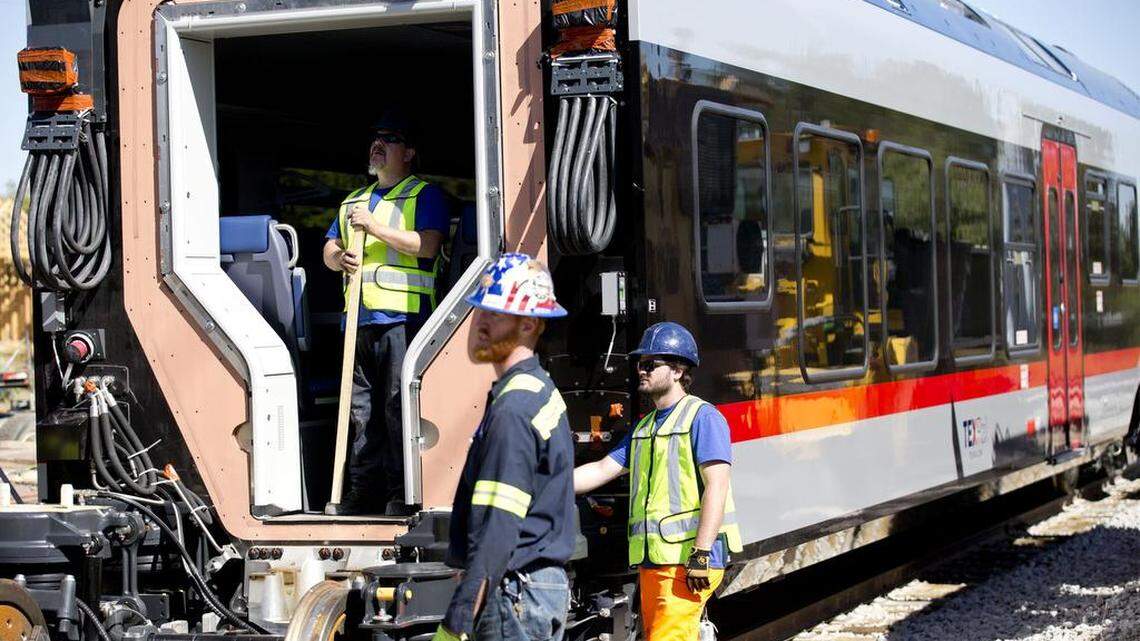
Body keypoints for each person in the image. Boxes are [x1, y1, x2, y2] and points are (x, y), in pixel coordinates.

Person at [432, 253, 576, 641]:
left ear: (528, 324)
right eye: (480, 310)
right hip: (531, 590)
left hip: (514, 592)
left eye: (495, 314)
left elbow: (498, 527)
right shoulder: (537, 389)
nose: (479, 323)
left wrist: (457, 622)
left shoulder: (514, 409)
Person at [573, 322, 743, 641]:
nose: (642, 370)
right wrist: (546, 486)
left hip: (688, 561)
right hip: (654, 562)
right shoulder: (644, 427)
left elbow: (717, 487)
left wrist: (701, 552)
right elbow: (601, 470)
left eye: (651, 364)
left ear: (678, 371)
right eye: (640, 364)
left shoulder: (703, 418)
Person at [322, 108, 450, 515]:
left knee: (397, 408)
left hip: (403, 321)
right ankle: (363, 491)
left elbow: (427, 245)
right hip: (358, 322)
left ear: (409, 153)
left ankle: (401, 492)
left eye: (390, 139)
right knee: (359, 410)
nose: (378, 145)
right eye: (376, 139)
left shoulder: (423, 195)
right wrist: (337, 257)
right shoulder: (353, 201)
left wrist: (375, 227)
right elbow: (329, 247)